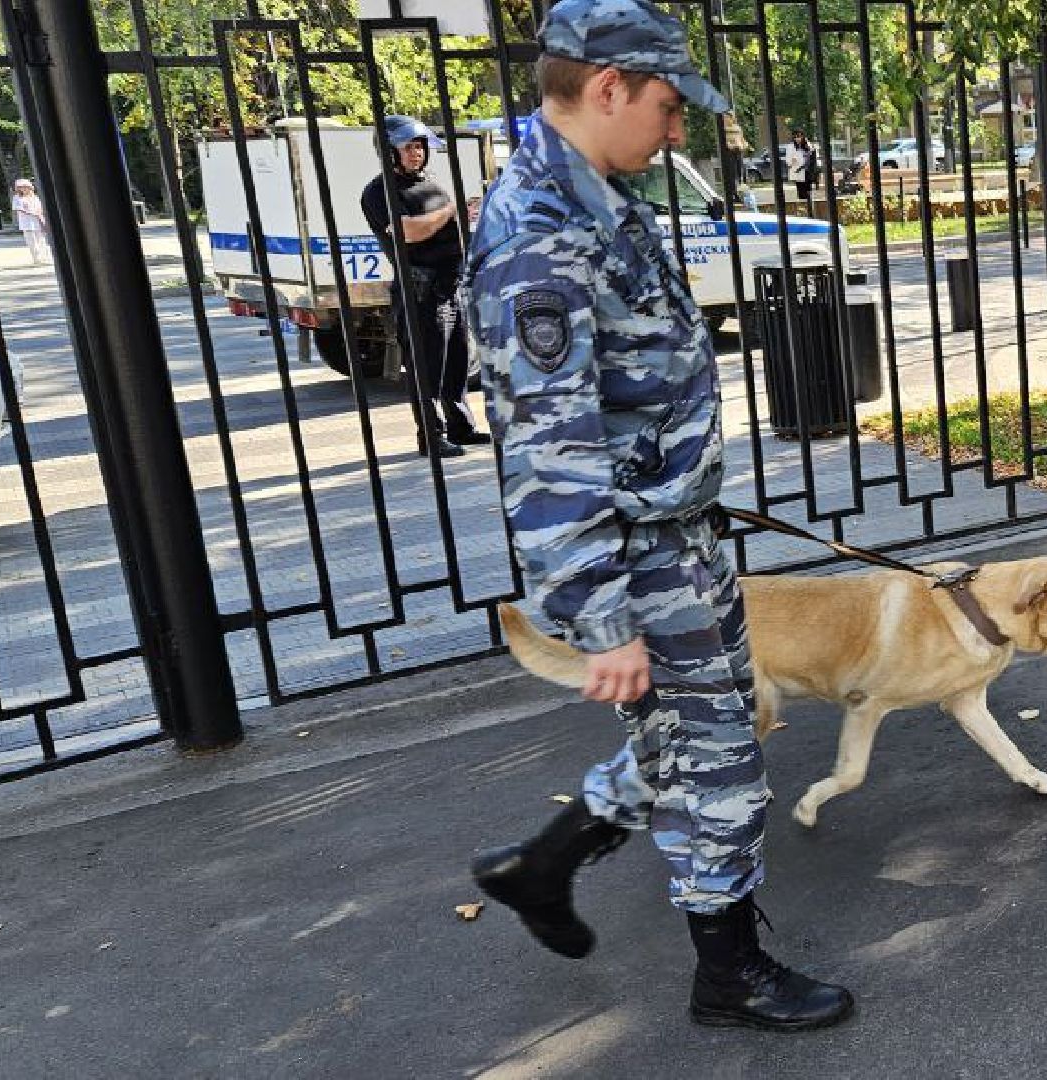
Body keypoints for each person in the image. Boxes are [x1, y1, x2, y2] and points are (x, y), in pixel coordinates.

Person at [460, 0, 854, 1032]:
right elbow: (549, 450)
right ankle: (728, 975)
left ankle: (542, 867)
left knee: (687, 740)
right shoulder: (538, 237)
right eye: (669, 106)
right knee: (722, 760)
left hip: (675, 536)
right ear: (606, 88)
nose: (677, 130)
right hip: (638, 564)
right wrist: (601, 619)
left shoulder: (595, 195)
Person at [361, 115, 488, 458]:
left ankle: (461, 427)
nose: (416, 152)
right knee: (427, 368)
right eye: (408, 147)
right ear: (389, 151)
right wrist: (451, 212)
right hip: (420, 291)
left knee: (456, 362)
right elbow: (408, 231)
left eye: (419, 146)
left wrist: (466, 215)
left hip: (450, 286)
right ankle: (432, 437)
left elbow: (446, 223)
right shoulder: (379, 192)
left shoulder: (428, 184)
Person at [10, 179, 51, 266]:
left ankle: (45, 257)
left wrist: (39, 215)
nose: (23, 188)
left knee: (41, 240)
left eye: (25, 186)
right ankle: (37, 259)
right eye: (21, 187)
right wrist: (31, 212)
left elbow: (40, 208)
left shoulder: (35, 197)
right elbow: (18, 209)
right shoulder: (17, 198)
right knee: (32, 241)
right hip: (26, 223)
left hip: (37, 221)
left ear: (29, 187)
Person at [781, 128, 817, 201]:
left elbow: (813, 157)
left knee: (808, 192)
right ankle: (803, 204)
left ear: (803, 136)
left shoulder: (808, 145)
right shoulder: (791, 146)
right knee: (801, 192)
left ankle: (809, 205)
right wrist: (791, 161)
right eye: (795, 137)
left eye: (799, 136)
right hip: (798, 171)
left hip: (808, 172)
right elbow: (788, 160)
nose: (797, 139)